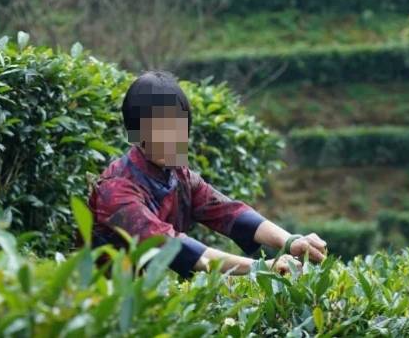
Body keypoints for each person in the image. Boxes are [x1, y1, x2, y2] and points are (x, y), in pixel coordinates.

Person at [85, 70, 328, 278]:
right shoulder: (116, 189)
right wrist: (262, 267)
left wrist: (291, 241)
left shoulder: (178, 175)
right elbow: (171, 246)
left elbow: (229, 212)